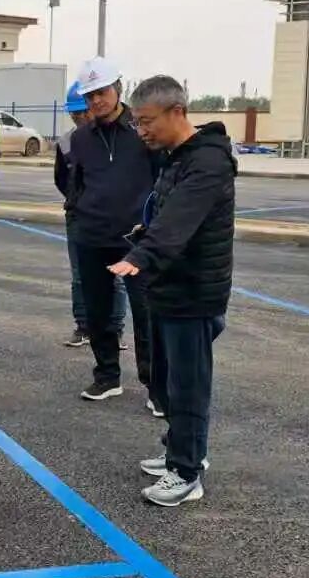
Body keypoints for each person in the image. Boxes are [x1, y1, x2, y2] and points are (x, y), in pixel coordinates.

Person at [112, 74, 236, 508]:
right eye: (136, 122)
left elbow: (180, 219)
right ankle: (181, 451)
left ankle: (186, 472)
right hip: (168, 287)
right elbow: (165, 216)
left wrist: (142, 254)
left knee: (188, 386)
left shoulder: (208, 162)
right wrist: (143, 236)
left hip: (193, 293)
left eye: (147, 121)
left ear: (177, 112)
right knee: (166, 382)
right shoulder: (176, 157)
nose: (141, 131)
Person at [67, 57, 160, 408]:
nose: (96, 101)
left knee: (146, 313)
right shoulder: (80, 138)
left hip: (137, 239)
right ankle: (107, 376)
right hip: (92, 237)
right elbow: (73, 182)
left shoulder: (142, 131)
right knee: (98, 312)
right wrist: (78, 212)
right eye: (90, 95)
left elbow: (162, 178)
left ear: (118, 89)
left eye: (102, 92)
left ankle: (156, 386)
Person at [55, 81, 127, 348]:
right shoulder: (68, 142)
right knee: (80, 276)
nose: (80, 118)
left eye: (82, 113)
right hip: (79, 217)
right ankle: (84, 326)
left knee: (116, 276)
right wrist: (79, 201)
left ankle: (115, 329)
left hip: (114, 218)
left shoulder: (117, 136)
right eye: (75, 114)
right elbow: (62, 179)